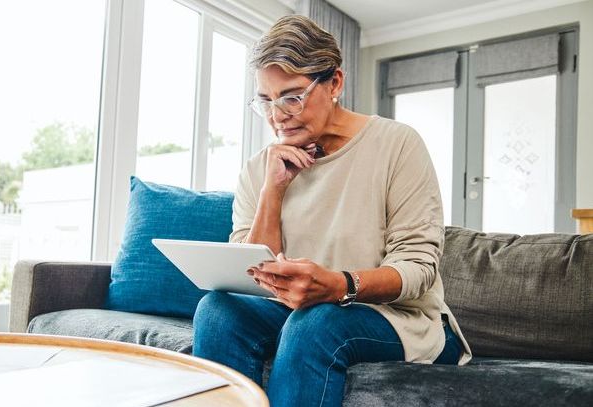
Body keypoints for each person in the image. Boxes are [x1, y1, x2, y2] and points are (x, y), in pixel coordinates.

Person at [192, 15, 472, 407]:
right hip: (296, 312)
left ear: (335, 83)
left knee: (317, 322)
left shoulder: (397, 145)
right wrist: (273, 190)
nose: (277, 115)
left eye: (291, 96)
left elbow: (418, 268)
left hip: (397, 319)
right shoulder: (260, 168)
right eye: (266, 101)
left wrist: (339, 285)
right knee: (217, 310)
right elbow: (251, 274)